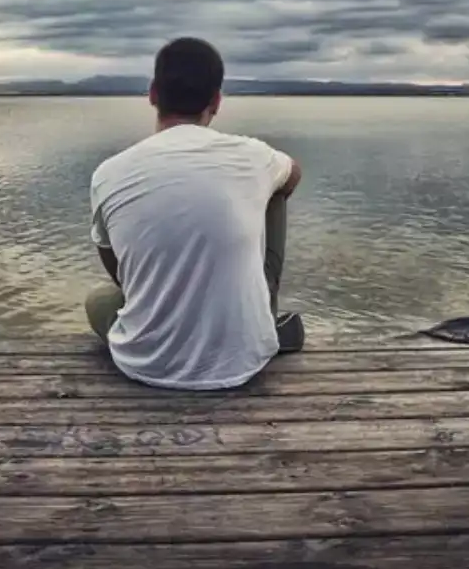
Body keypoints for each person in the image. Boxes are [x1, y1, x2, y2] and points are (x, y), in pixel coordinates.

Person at [83, 37, 305, 390]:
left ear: (153, 94)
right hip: (245, 361)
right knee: (275, 187)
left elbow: (118, 271)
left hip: (145, 364)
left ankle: (168, 318)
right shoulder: (252, 155)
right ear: (216, 101)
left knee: (98, 299)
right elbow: (294, 172)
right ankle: (263, 317)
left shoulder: (108, 173)